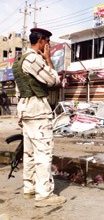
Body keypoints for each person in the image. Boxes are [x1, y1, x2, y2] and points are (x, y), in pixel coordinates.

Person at [12, 28, 66, 207]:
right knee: (43, 152)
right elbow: (53, 81)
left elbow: (21, 89)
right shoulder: (34, 58)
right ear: (42, 41)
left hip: (26, 110)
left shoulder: (19, 60)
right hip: (37, 111)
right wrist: (49, 59)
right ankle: (44, 195)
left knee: (29, 152)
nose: (48, 46)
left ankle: (30, 187)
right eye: (47, 42)